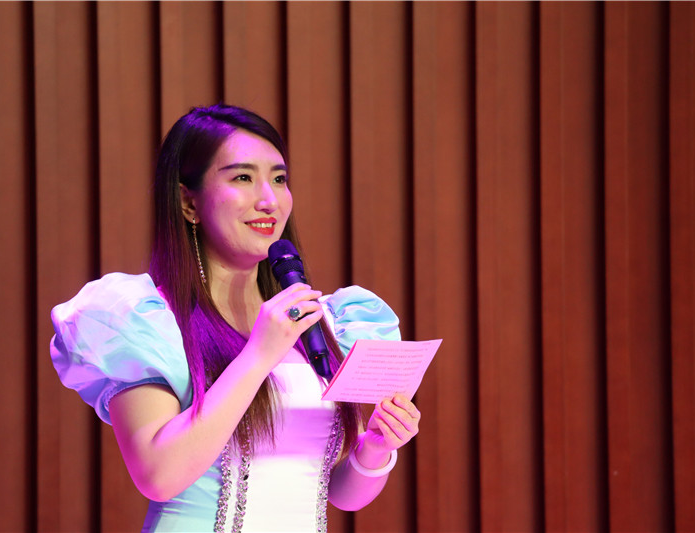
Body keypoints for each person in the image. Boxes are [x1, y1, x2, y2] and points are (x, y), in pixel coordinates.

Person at [50, 104, 420, 532]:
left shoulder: (327, 322)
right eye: (243, 178)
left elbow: (340, 493)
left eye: (279, 179)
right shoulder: (148, 320)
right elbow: (158, 476)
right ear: (188, 201)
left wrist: (374, 449)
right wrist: (258, 355)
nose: (269, 200)